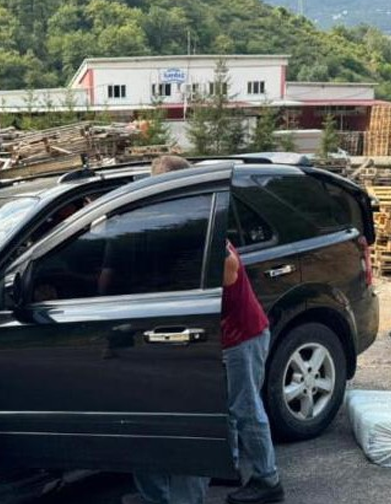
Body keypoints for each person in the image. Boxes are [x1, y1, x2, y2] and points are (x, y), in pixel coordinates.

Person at [123, 156, 284, 504]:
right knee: (221, 408)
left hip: (242, 335)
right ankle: (228, 468)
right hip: (217, 334)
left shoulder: (203, 217)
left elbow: (229, 272)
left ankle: (268, 482)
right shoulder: (182, 218)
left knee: (245, 409)